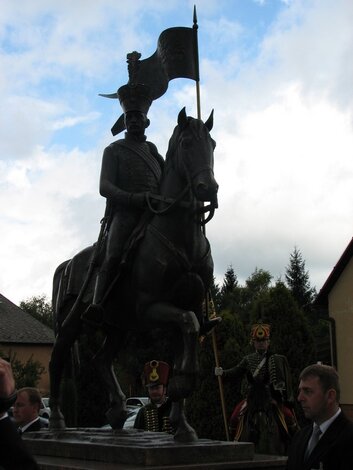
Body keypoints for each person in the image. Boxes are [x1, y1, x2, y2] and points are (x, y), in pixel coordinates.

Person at [82, 78, 164, 327]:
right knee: (113, 254)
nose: (135, 121)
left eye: (139, 117)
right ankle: (97, 303)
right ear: (124, 122)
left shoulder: (154, 152)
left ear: (147, 121)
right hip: (126, 213)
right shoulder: (114, 150)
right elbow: (104, 187)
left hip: (154, 212)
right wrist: (134, 198)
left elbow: (166, 180)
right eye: (130, 118)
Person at [215, 321, 298, 441]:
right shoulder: (247, 359)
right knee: (233, 418)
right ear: (253, 342)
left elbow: (282, 380)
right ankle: (234, 443)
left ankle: (294, 444)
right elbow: (236, 371)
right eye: (258, 341)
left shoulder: (276, 359)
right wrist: (222, 372)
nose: (261, 343)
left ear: (268, 342)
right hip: (251, 397)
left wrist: (279, 396)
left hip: (270, 397)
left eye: (263, 341)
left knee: (289, 417)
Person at [286, 363, 353, 470]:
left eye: (308, 391)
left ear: (330, 396)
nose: (299, 398)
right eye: (300, 391)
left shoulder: (349, 439)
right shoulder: (299, 437)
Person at [0, 358, 39, 469]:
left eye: (20, 405)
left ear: (35, 408)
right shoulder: (17, 430)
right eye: (14, 405)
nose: (15, 410)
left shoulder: (38, 430)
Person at [133, 360, 173, 433]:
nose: (154, 391)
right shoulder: (143, 412)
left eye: (157, 388)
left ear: (165, 389)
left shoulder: (173, 410)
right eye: (151, 388)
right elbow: (137, 436)